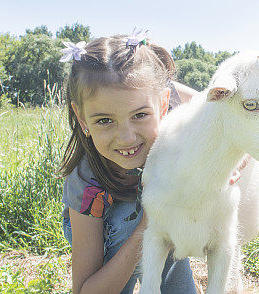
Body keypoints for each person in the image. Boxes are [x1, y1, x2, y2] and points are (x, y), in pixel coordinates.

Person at [57, 34, 199, 294]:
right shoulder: (85, 181)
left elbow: (222, 112)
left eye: (140, 115)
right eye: (104, 121)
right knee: (132, 221)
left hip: (157, 210)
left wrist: (234, 162)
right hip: (114, 225)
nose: (127, 138)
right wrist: (148, 226)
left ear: (164, 104)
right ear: (82, 118)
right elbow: (85, 290)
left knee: (164, 217)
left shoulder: (163, 97)